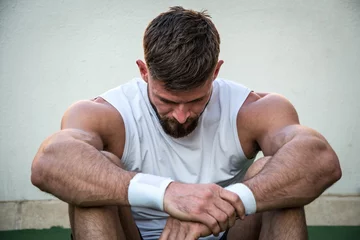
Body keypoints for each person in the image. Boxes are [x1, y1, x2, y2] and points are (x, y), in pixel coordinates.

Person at [31, 6, 341, 240]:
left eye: (195, 101)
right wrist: (167, 193)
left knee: (275, 174)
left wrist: (226, 204)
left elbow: (319, 159)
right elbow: (50, 163)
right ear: (144, 72)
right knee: (93, 174)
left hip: (229, 232)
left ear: (215, 72)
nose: (181, 115)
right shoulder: (104, 113)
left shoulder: (255, 109)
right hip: (132, 234)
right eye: (166, 101)